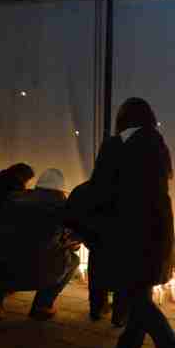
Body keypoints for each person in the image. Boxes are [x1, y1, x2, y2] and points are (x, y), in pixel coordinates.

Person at [72, 98, 175, 348]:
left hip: (127, 237)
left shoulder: (116, 146)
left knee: (139, 302)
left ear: (122, 119)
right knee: (140, 298)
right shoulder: (157, 146)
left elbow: (101, 190)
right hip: (156, 235)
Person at [0, 168, 80, 323]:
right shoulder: (64, 207)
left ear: (37, 185)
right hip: (40, 272)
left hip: (1, 268)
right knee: (74, 260)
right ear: (61, 189)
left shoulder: (13, 198)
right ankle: (42, 306)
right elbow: (72, 241)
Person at [68, 133, 129, 326]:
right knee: (122, 276)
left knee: (98, 268)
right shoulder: (128, 189)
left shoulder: (87, 189)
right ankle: (120, 315)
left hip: (96, 241)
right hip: (121, 243)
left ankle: (97, 308)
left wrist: (84, 234)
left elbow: (71, 215)